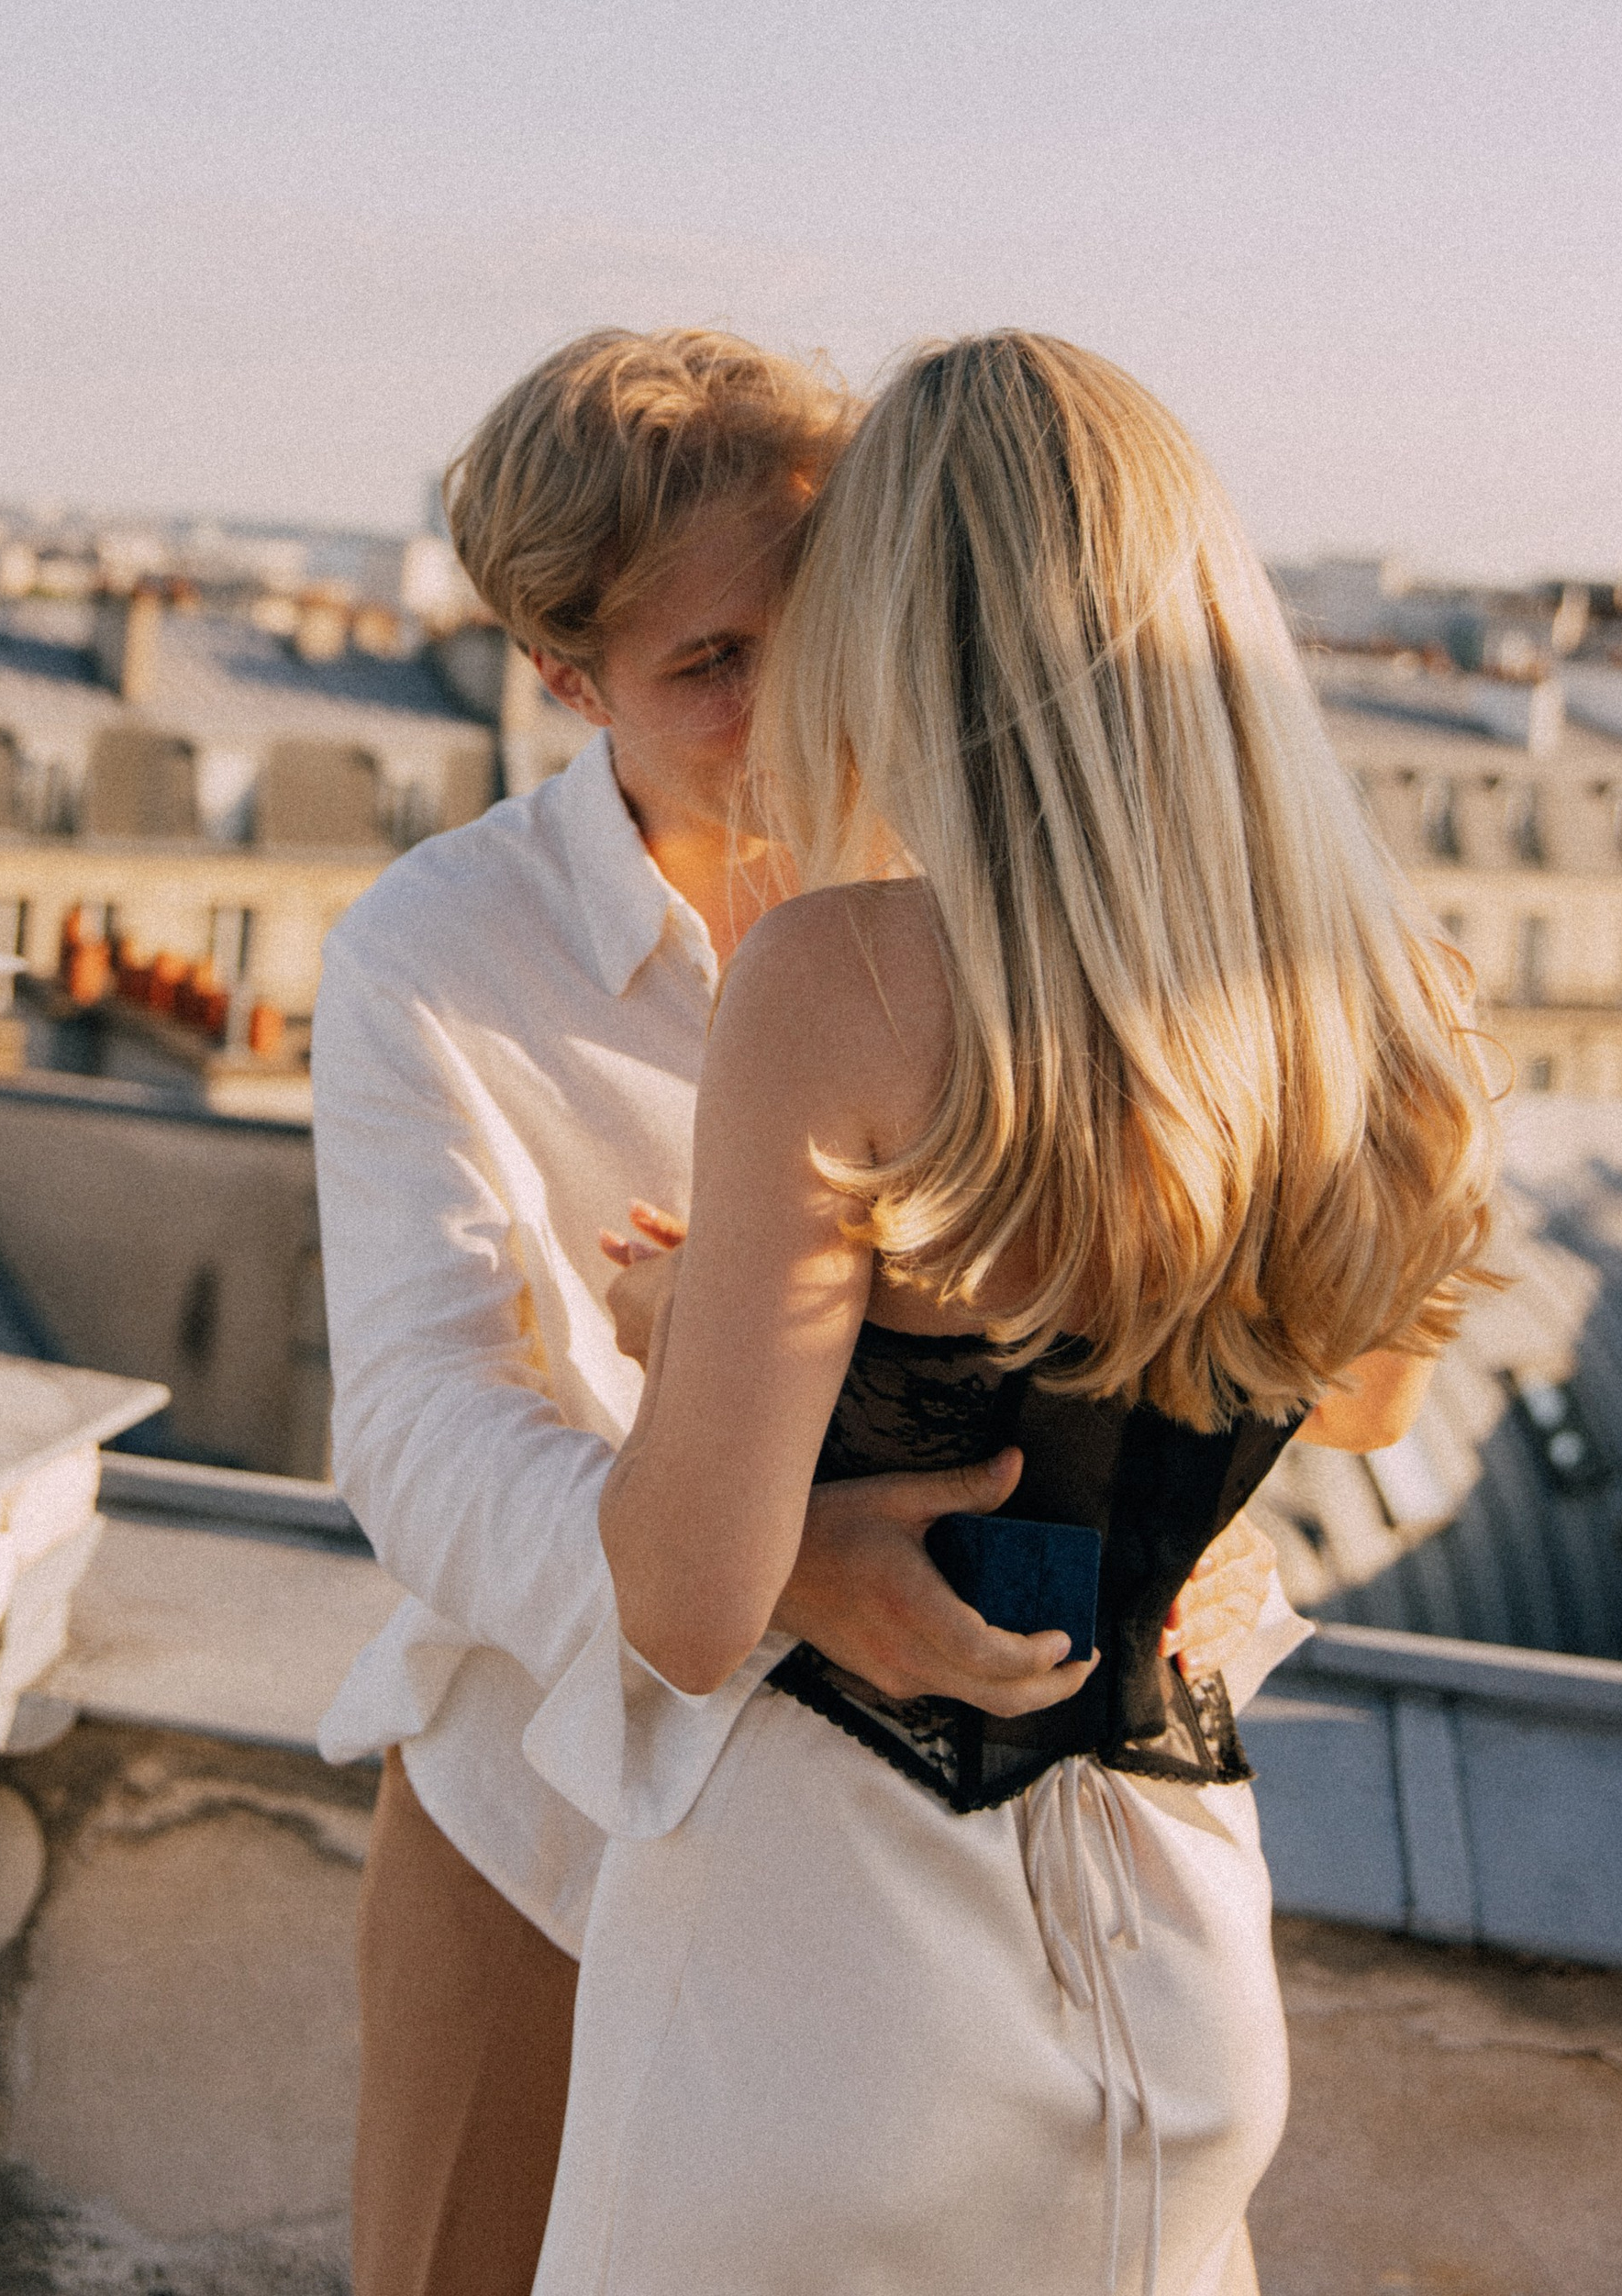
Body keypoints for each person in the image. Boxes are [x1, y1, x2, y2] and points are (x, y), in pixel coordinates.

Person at [314, 329, 1294, 2296]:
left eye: (817, 625)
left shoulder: (1003, 897)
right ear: (560, 682)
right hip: (547, 1794)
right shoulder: (429, 943)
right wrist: (773, 1561)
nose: (789, 709)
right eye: (707, 666)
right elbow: (416, 1420)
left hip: (924, 1830)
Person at [524, 332, 1499, 2296]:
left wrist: (680, 1306)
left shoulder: (840, 979)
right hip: (1179, 1944)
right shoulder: (1399, 999)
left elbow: (686, 1600)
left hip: (830, 1978)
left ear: (890, 625)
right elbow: (1372, 1400)